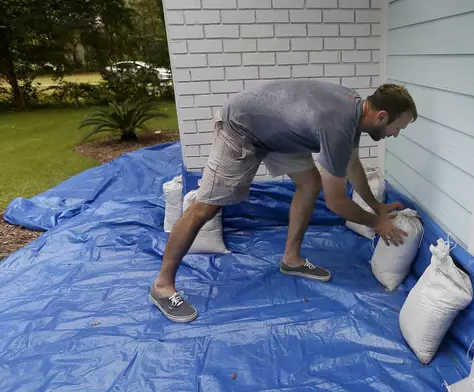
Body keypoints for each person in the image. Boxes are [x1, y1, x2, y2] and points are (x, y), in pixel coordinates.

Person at [150, 80, 418, 322]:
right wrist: (377, 223)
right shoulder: (338, 124)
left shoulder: (357, 109)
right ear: (381, 117)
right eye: (398, 128)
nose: (396, 134)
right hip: (240, 127)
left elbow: (352, 164)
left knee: (310, 184)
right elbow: (336, 202)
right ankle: (162, 286)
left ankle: (291, 259)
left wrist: (376, 206)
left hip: (277, 132)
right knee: (205, 207)